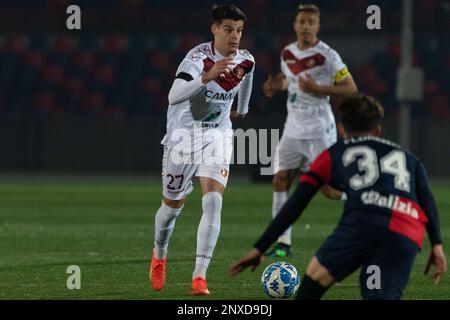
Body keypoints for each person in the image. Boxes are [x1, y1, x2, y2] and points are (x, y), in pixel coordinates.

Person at [229, 94, 447, 300]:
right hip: (405, 233)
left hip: (362, 225)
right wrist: (436, 244)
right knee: (377, 293)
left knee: (313, 283)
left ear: (342, 129)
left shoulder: (334, 153)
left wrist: (260, 247)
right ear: (378, 130)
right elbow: (426, 199)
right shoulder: (409, 158)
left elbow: (296, 203)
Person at [149, 4, 254, 295]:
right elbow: (173, 96)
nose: (234, 36)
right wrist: (207, 77)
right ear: (215, 29)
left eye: (239, 31)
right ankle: (159, 255)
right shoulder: (196, 59)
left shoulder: (245, 59)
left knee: (213, 201)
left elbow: (247, 76)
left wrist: (241, 109)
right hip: (183, 137)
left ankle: (199, 276)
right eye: (228, 29)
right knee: (171, 209)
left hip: (217, 136)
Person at [263, 4, 358, 257]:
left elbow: (350, 88)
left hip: (319, 128)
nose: (305, 26)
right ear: (295, 25)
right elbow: (289, 79)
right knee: (281, 179)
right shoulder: (287, 52)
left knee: (328, 189)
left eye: (310, 22)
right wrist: (276, 84)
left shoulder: (328, 56)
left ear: (317, 26)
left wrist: (319, 89)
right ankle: (283, 243)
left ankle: (365, 198)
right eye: (301, 21)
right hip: (293, 127)